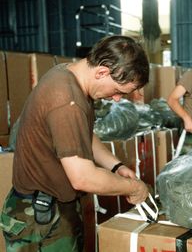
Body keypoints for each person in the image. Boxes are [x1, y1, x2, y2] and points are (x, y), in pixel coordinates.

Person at [0, 35, 150, 251]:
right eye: (118, 91)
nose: (117, 99)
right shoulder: (67, 100)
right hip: (40, 216)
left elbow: (84, 135)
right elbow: (83, 178)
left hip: (54, 206)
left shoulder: (71, 75)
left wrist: (116, 166)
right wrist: (134, 188)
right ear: (102, 72)